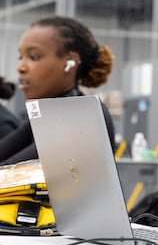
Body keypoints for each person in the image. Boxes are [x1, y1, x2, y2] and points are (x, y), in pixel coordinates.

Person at [0, 16, 116, 165]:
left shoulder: (82, 117)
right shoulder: (50, 114)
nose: (21, 67)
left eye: (33, 57)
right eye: (20, 57)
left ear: (70, 62)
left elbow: (11, 172)